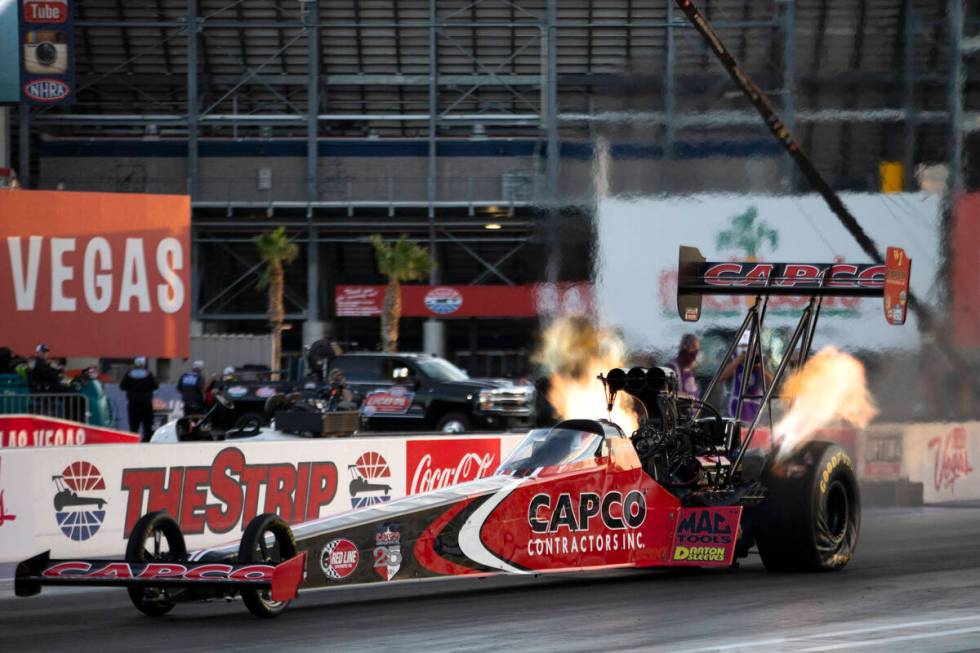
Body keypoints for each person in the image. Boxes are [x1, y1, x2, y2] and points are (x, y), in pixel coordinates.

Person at [719, 332, 774, 424]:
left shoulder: (761, 359)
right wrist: (738, 360)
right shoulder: (731, 358)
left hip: (756, 409)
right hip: (733, 409)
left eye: (747, 346)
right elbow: (720, 377)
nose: (745, 350)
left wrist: (759, 367)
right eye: (742, 346)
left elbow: (773, 382)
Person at [120, 356, 159, 441]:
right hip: (146, 403)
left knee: (134, 424)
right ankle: (147, 440)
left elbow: (122, 386)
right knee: (147, 424)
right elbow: (156, 386)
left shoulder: (129, 374)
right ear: (144, 363)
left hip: (133, 403)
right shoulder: (149, 374)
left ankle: (133, 439)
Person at [669, 334, 701, 398]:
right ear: (684, 347)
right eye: (693, 348)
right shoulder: (671, 368)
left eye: (697, 349)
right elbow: (668, 394)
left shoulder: (692, 371)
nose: (696, 353)